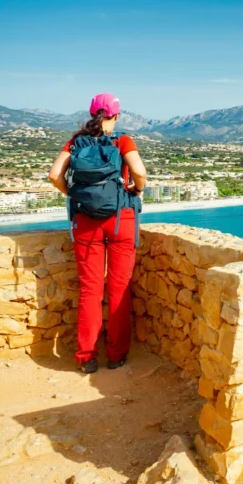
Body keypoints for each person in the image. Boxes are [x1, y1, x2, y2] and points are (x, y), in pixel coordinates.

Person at [48, 93, 147, 374]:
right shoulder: (123, 141)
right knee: (119, 288)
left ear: (92, 113)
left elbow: (54, 174)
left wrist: (74, 196)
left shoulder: (76, 141)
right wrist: (136, 191)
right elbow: (139, 172)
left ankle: (86, 357)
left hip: (86, 220)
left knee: (90, 289)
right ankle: (116, 355)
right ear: (116, 116)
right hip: (120, 219)